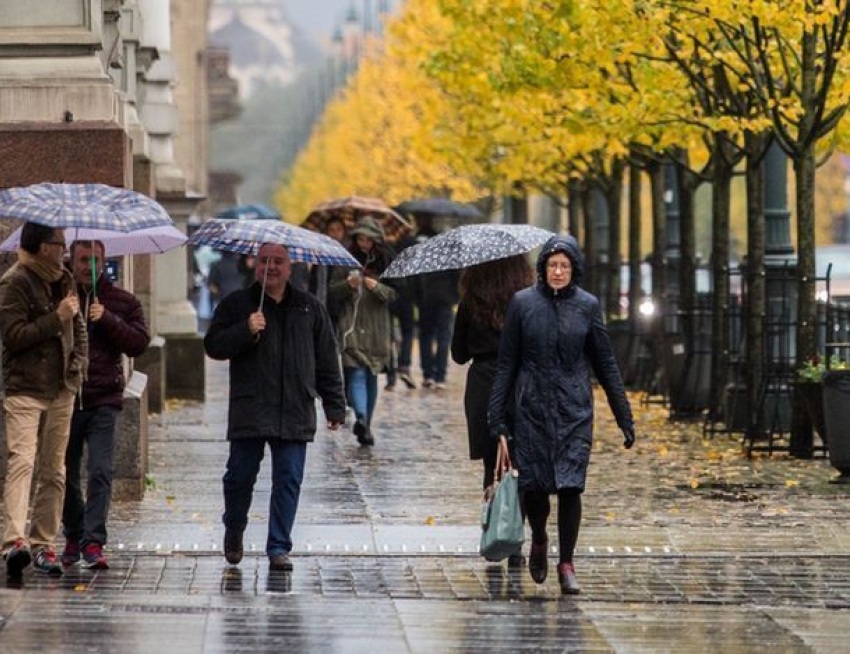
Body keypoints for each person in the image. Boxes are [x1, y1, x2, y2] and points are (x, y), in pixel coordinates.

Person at [488, 235, 636, 595]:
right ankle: (538, 535)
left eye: (564, 266)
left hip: (573, 410)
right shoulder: (522, 304)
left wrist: (623, 416)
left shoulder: (587, 306)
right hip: (532, 409)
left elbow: (605, 363)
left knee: (571, 486)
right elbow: (507, 363)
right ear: (543, 268)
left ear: (574, 270)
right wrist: (497, 417)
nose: (558, 271)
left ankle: (567, 563)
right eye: (552, 265)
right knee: (535, 488)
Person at [204, 243, 345, 572]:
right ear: (255, 264)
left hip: (295, 407)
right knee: (239, 477)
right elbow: (213, 346)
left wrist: (334, 406)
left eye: (278, 262)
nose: (271, 267)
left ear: (290, 266)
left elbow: (327, 358)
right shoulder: (237, 304)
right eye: (265, 260)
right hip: (250, 407)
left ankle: (279, 546)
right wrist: (245, 329)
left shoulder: (310, 308)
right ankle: (234, 528)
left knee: (289, 479)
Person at [0, 222, 88, 577]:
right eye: (59, 243)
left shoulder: (64, 278)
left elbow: (78, 327)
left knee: (55, 469)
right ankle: (14, 541)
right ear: (41, 246)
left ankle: (44, 543)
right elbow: (12, 336)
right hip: (25, 387)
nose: (65, 249)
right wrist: (57, 318)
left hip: (62, 388)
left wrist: (78, 364)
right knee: (22, 460)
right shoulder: (15, 281)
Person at [61, 240, 150, 570]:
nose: (89, 267)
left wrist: (108, 319)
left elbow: (140, 343)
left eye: (95, 260)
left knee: (100, 470)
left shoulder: (121, 301)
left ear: (105, 262)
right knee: (65, 471)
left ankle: (94, 540)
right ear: (71, 260)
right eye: (83, 260)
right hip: (66, 398)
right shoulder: (60, 295)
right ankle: (73, 531)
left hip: (104, 399)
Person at [451, 255, 533, 491]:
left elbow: (459, 354)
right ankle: (519, 518)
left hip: (483, 382)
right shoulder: (528, 300)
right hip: (520, 380)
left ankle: (494, 519)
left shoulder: (471, 300)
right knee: (520, 456)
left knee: (491, 462)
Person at [328, 216, 396, 446]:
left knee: (371, 374)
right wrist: (348, 285)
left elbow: (396, 295)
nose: (364, 243)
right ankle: (361, 417)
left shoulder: (388, 261)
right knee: (355, 372)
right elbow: (332, 293)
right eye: (360, 239)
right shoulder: (344, 260)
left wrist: (378, 288)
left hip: (378, 328)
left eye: (368, 239)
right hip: (352, 327)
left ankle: (366, 422)